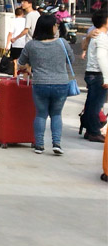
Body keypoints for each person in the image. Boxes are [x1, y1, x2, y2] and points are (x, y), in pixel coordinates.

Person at [17, 14, 75, 155]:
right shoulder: (62, 43)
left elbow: (20, 64)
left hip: (40, 84)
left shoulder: (31, 45)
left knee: (41, 115)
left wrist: (28, 69)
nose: (57, 27)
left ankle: (39, 145)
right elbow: (71, 60)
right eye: (55, 25)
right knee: (56, 114)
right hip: (61, 84)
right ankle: (56, 144)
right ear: (51, 28)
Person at [79, 12, 108, 142]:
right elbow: (101, 57)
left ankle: (90, 130)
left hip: (91, 73)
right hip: (98, 74)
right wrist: (107, 77)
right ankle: (94, 131)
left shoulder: (95, 35)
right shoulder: (101, 37)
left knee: (91, 104)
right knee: (96, 105)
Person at [5, 7, 27, 75]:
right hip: (25, 43)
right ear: (23, 14)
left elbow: (10, 34)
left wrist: (7, 45)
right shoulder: (26, 21)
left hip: (15, 43)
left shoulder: (13, 21)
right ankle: (25, 76)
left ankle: (15, 75)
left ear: (15, 14)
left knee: (15, 60)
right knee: (25, 61)